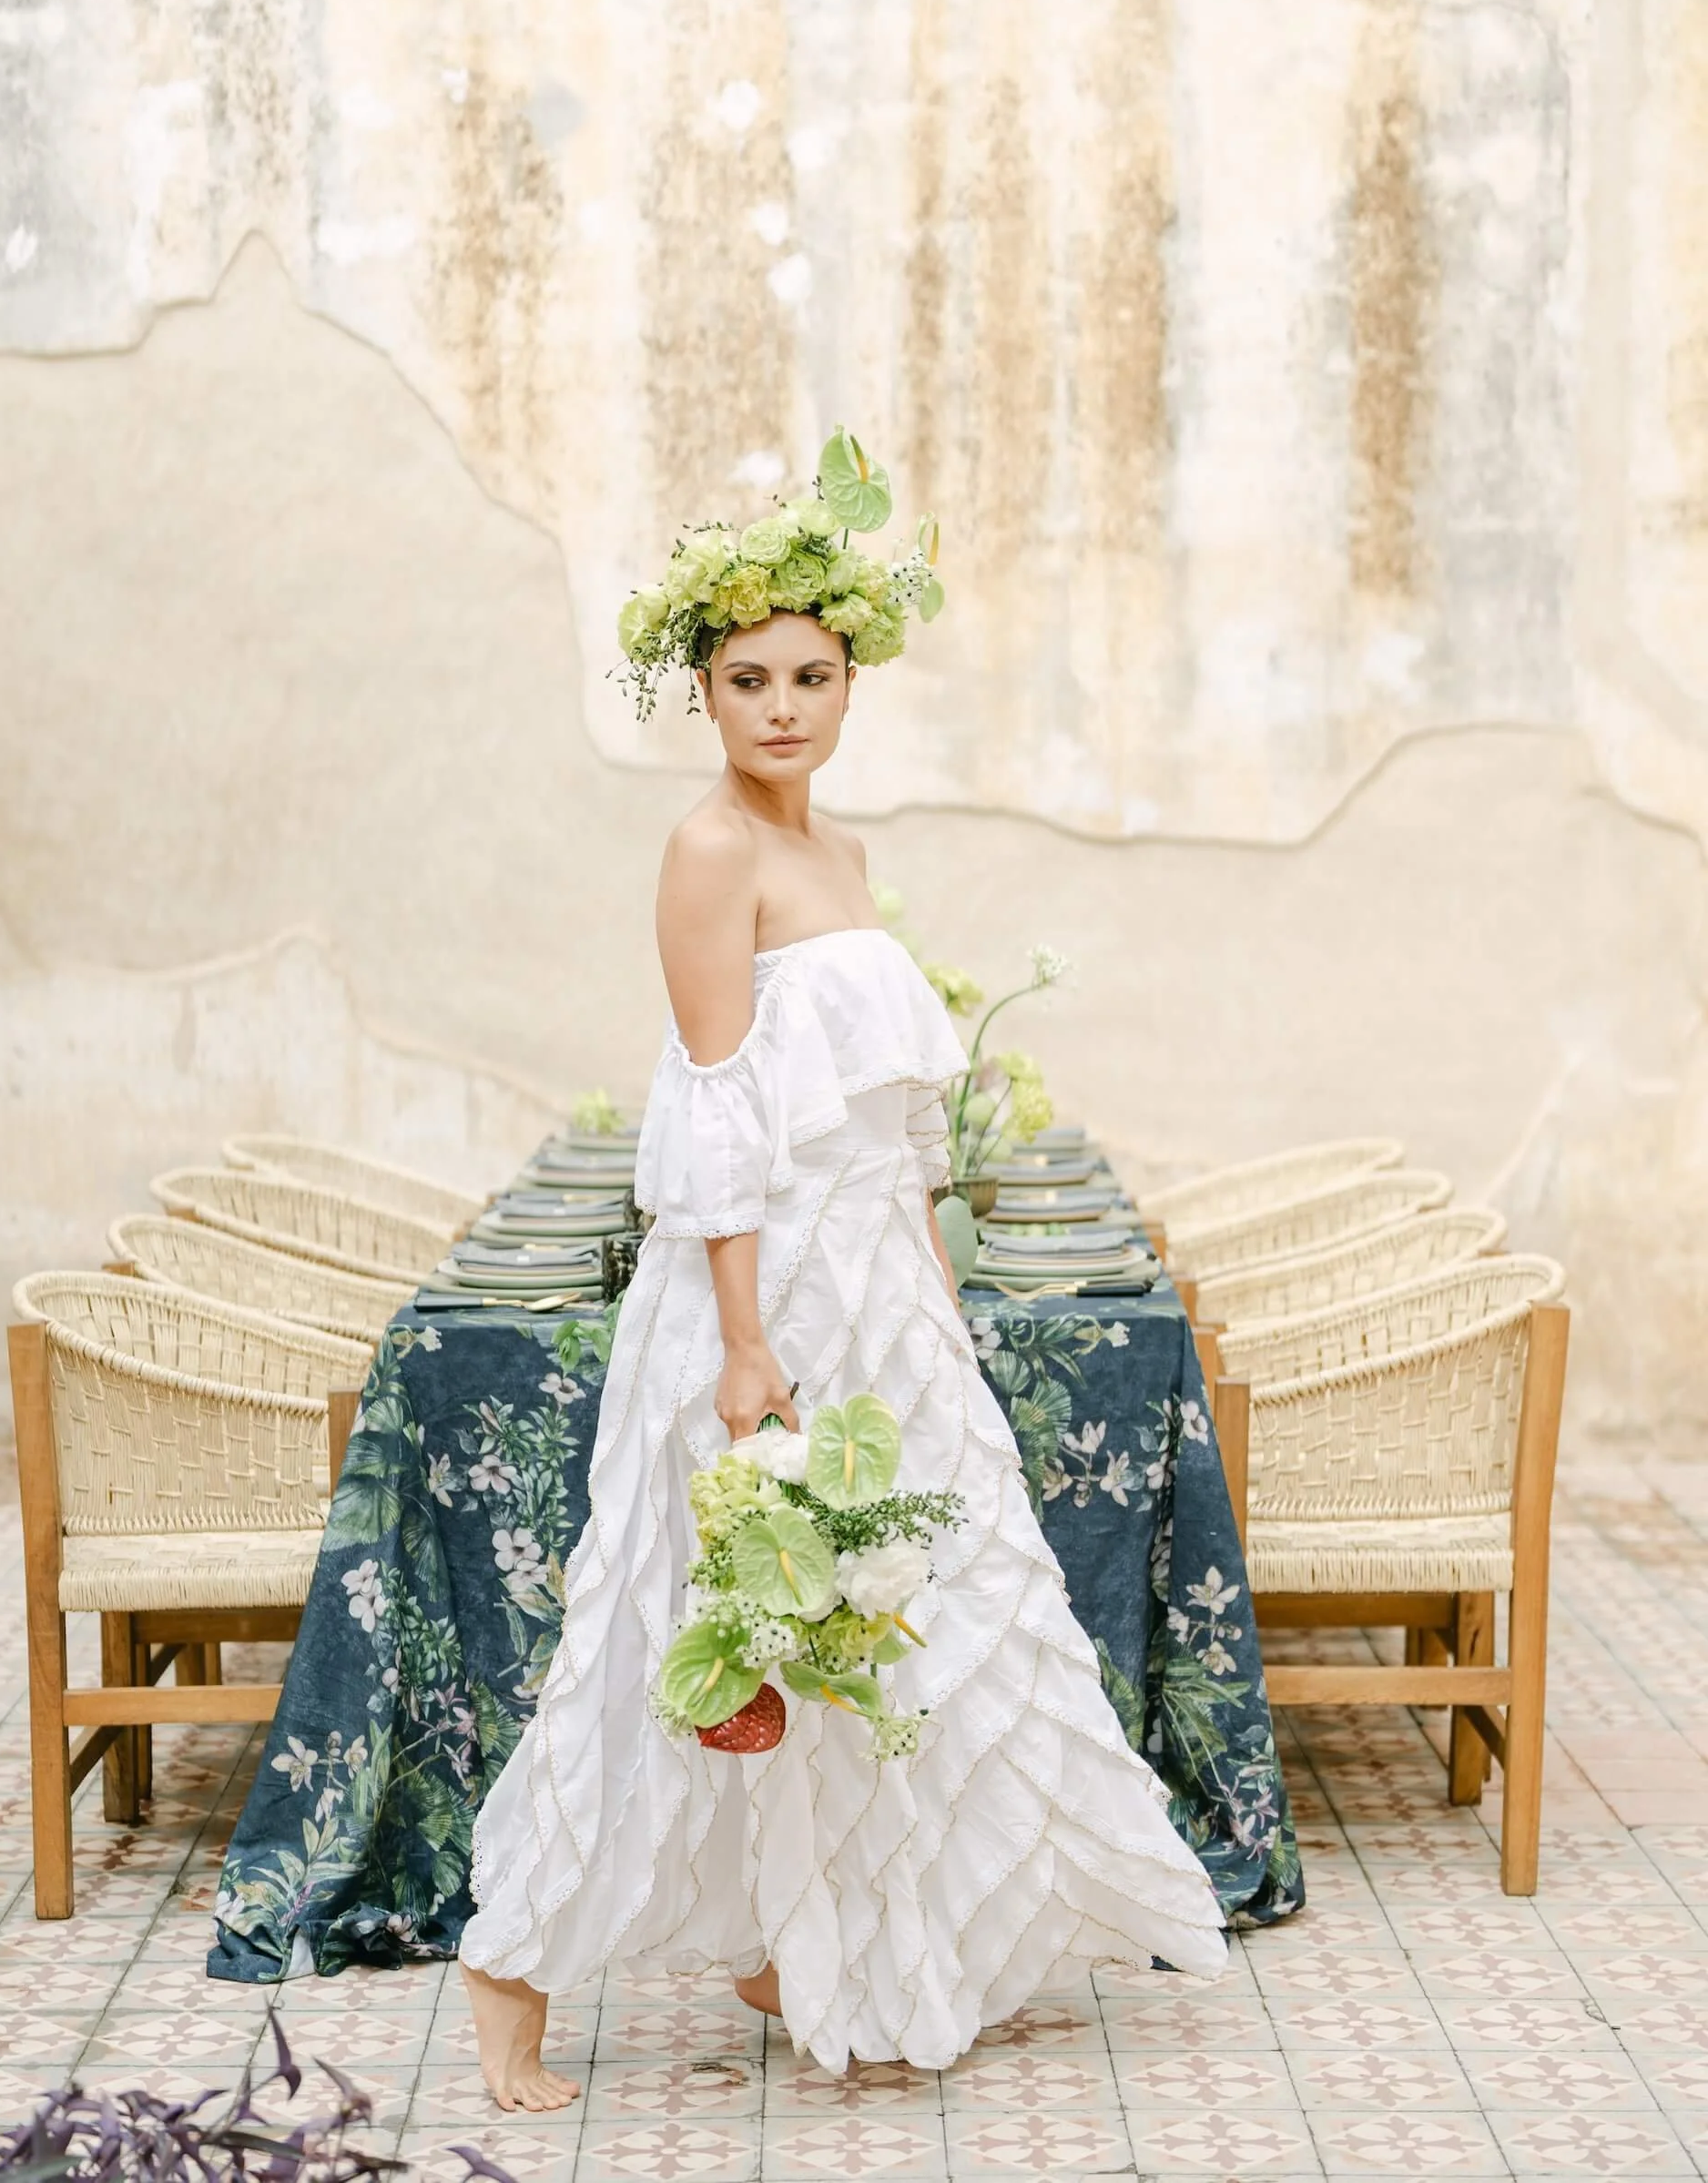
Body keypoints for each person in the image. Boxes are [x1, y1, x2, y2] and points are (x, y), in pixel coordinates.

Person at [458, 436, 1226, 2107]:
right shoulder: (708, 852)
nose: (783, 706)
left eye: (812, 676)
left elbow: (894, 1126)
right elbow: (716, 1107)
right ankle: (508, 1971)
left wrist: (935, 1307)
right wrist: (743, 1344)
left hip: (880, 1288)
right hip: (760, 1291)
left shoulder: (847, 858)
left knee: (882, 1620)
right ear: (704, 689)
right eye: (749, 678)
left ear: (852, 683)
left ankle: (796, 1939)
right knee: (685, 1612)